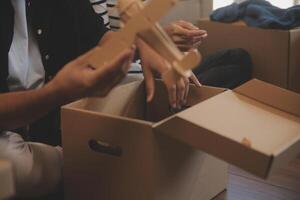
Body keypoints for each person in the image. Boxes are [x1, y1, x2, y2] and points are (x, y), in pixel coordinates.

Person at [0, 0, 203, 198]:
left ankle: (86, 163)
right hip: (15, 137)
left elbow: (101, 38)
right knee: (9, 163)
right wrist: (55, 93)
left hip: (54, 122)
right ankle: (83, 164)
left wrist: (143, 45)